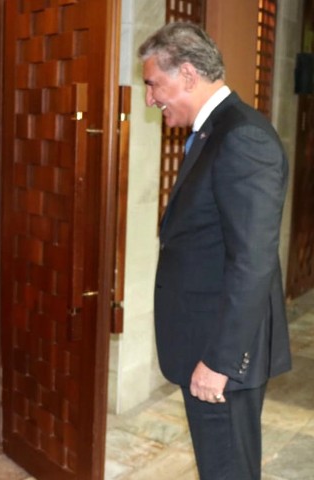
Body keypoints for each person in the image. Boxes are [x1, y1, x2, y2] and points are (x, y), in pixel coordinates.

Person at [138, 22, 291, 479]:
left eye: (153, 85)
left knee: (228, 471)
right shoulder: (213, 132)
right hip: (207, 344)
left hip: (222, 358)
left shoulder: (242, 137)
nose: (150, 99)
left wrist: (220, 362)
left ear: (187, 75)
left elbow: (252, 262)